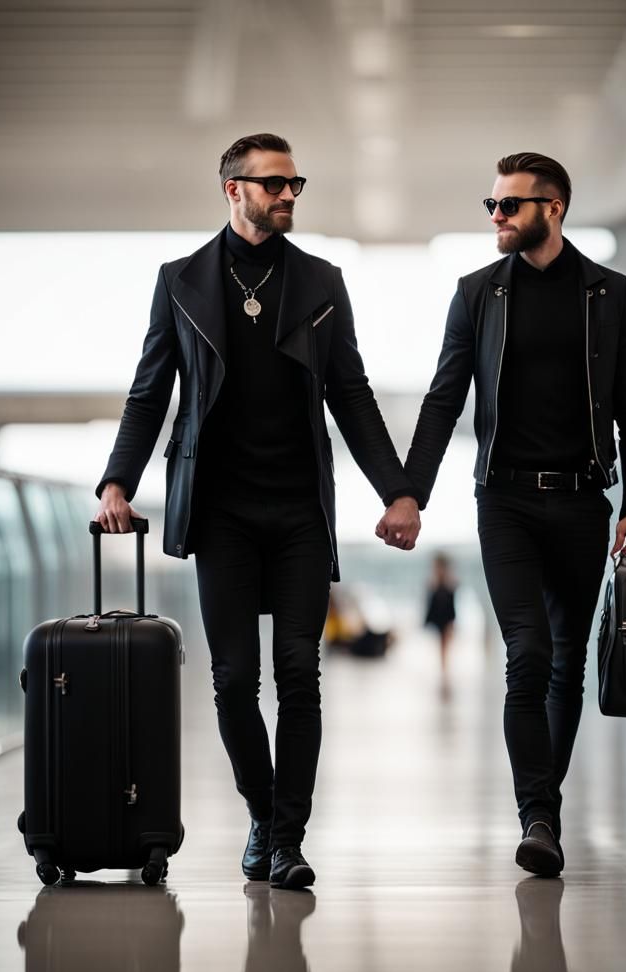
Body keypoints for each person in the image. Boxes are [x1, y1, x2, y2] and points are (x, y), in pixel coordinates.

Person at [96, 133, 420, 890]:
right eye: (274, 184)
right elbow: (150, 394)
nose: (287, 196)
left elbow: (352, 395)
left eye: (294, 184)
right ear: (232, 190)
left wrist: (396, 489)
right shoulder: (181, 282)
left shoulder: (321, 282)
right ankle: (264, 815)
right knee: (235, 679)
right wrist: (118, 480)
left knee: (299, 672)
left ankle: (289, 839)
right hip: (222, 513)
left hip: (301, 508)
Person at [380, 151, 626, 878]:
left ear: (554, 207)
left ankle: (545, 808)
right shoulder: (478, 295)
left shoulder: (608, 294)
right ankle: (536, 814)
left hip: (581, 502)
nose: (496, 217)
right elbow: (444, 400)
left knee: (568, 664)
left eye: (510, 205)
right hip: (503, 499)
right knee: (528, 653)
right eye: (492, 205)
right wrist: (411, 491)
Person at [423, 552, 457, 680]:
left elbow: (452, 602)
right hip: (438, 617)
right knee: (441, 643)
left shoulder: (449, 581)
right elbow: (430, 602)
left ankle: (444, 667)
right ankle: (443, 667)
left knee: (445, 643)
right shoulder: (434, 582)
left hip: (447, 617)